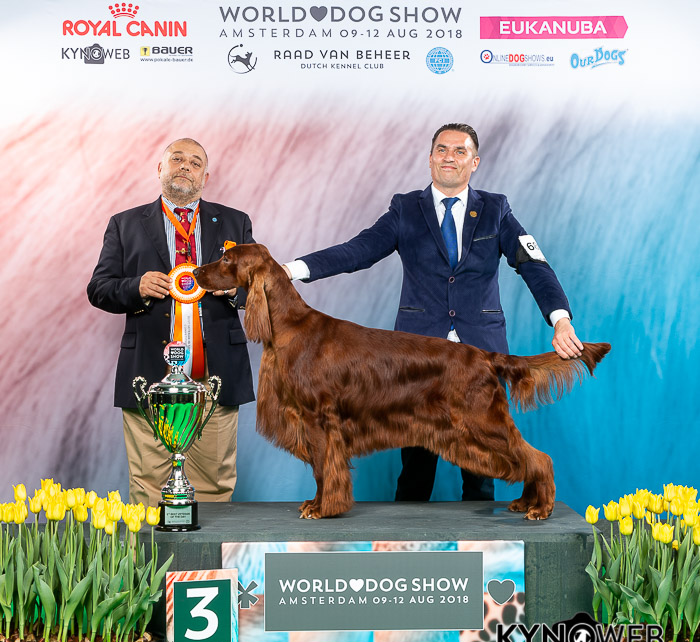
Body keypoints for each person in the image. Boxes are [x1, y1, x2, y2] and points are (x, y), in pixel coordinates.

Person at [283, 123, 583, 502]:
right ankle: (408, 537)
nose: (449, 157)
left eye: (460, 151)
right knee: (415, 470)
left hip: (479, 354)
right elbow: (358, 250)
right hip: (416, 360)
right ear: (429, 159)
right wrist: (291, 269)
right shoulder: (406, 209)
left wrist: (560, 319)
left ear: (475, 162)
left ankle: (481, 536)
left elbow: (533, 264)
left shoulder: (496, 210)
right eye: (442, 149)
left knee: (483, 470)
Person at [88, 138, 255, 506]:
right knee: (149, 484)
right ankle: (152, 547)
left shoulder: (236, 222)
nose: (185, 166)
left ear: (205, 177)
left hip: (216, 373)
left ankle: (210, 548)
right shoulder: (124, 224)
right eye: (176, 159)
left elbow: (260, 288)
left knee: (214, 482)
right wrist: (136, 287)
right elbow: (98, 289)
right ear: (160, 169)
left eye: (195, 163)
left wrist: (234, 290)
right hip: (149, 370)